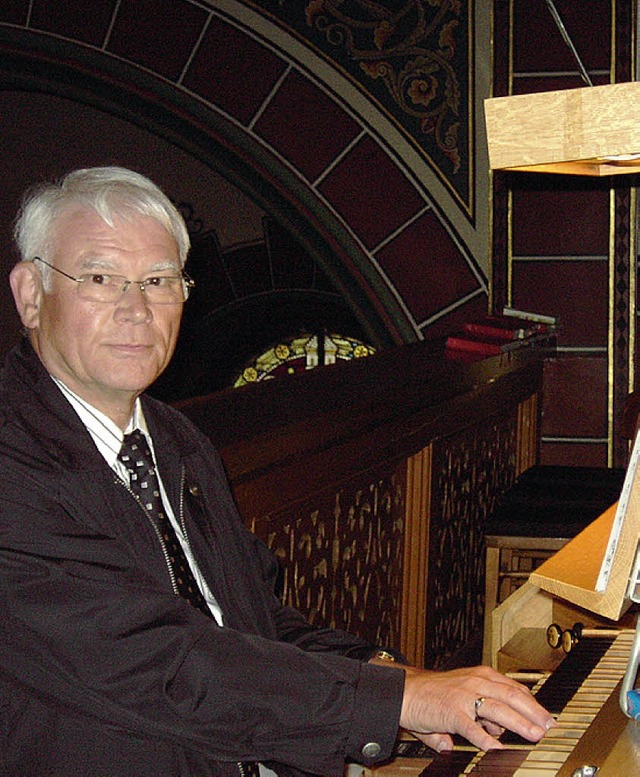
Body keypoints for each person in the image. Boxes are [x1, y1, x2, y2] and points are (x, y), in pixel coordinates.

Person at [0, 166, 555, 777]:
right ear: (30, 294)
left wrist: (394, 674)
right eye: (101, 278)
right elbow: (157, 661)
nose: (136, 310)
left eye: (158, 281)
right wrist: (391, 700)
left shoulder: (174, 440)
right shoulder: (13, 459)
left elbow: (249, 622)